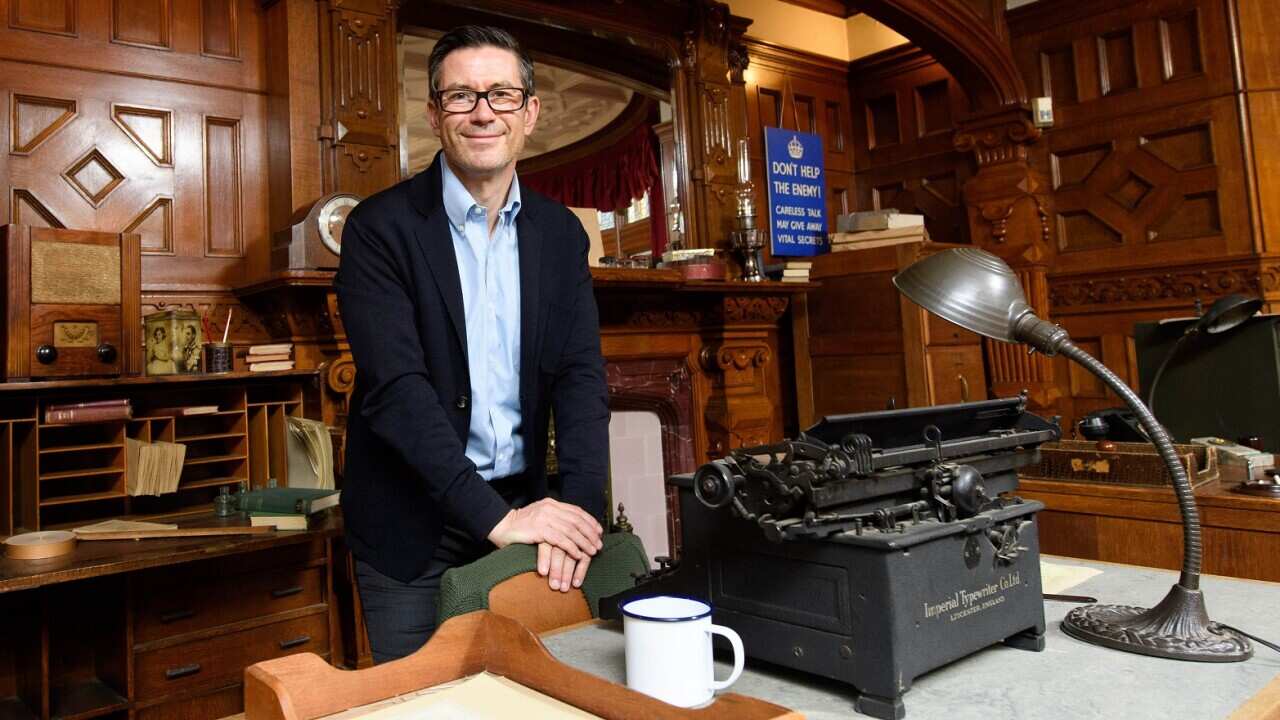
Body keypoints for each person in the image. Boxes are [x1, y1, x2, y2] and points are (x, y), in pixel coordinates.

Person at [335, 25, 610, 664]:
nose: (483, 112)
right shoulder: (378, 231)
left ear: (530, 113)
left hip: (524, 510)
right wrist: (495, 518)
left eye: (502, 95)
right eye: (461, 96)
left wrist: (577, 513)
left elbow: (580, 376)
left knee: (538, 691)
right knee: (425, 703)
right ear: (434, 114)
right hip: (411, 529)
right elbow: (398, 393)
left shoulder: (561, 233)